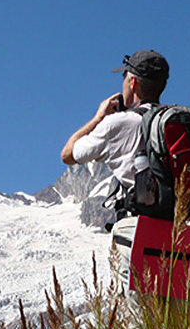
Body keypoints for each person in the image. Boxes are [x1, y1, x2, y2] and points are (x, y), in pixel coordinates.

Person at [60, 50, 170, 296]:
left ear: (133, 82)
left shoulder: (119, 122)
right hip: (175, 230)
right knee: (172, 319)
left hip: (137, 228)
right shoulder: (173, 122)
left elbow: (68, 154)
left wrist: (98, 117)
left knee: (136, 322)